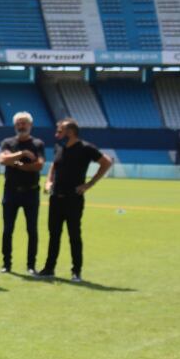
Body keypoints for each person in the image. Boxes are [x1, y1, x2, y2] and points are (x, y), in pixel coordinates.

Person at [39, 118, 113, 282]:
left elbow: (106, 162)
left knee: (74, 235)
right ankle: (49, 269)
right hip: (55, 198)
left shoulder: (86, 148)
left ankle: (76, 271)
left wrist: (89, 184)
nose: (56, 134)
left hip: (73, 199)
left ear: (70, 132)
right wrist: (48, 181)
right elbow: (54, 166)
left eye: (60, 131)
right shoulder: (60, 147)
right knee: (54, 235)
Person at [0, 112, 46, 274]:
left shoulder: (38, 144)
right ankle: (6, 264)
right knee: (7, 229)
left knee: (32, 230)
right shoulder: (8, 142)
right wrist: (23, 155)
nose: (21, 126)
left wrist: (17, 164)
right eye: (19, 123)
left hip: (31, 193)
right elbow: (2, 160)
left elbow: (38, 165)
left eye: (24, 123)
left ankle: (31, 265)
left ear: (30, 125)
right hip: (10, 192)